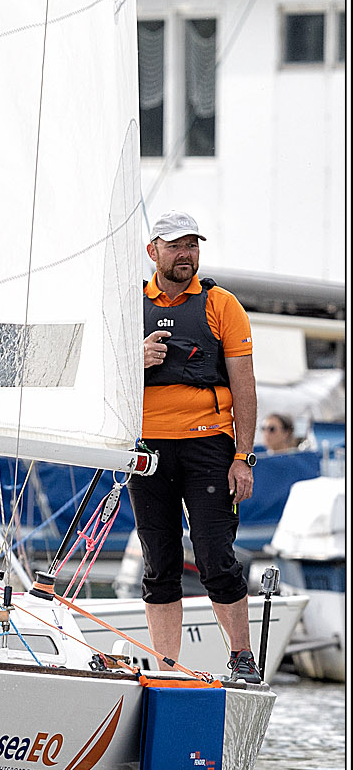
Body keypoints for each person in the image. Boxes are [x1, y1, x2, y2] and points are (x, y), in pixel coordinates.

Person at [132, 210, 263, 683]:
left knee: (214, 557)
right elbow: (100, 378)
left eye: (192, 245)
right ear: (153, 252)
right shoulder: (127, 304)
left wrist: (242, 458)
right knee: (159, 561)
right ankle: (167, 670)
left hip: (208, 447)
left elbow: (245, 387)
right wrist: (135, 359)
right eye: (175, 246)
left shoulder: (221, 304)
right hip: (147, 452)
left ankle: (242, 658)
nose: (186, 254)